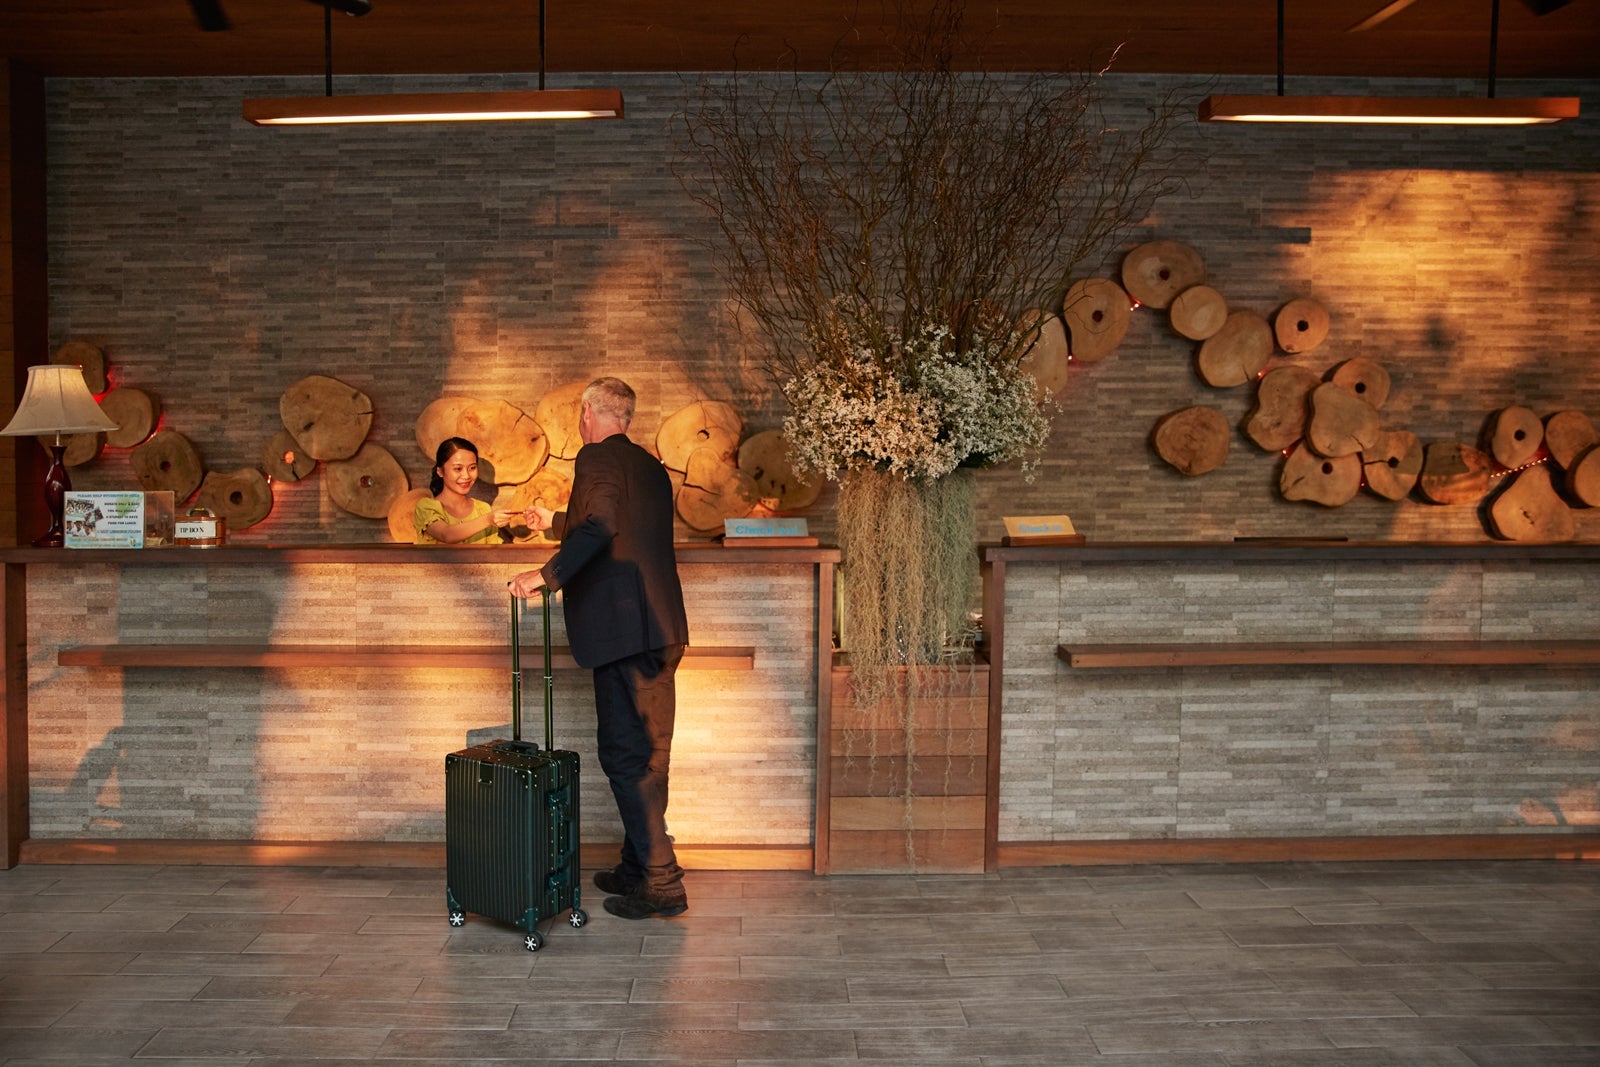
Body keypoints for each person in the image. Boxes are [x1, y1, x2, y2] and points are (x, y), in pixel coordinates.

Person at [509, 377, 690, 920]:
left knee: (626, 757)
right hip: (661, 628)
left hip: (623, 631)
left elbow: (604, 523)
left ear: (587, 413)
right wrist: (558, 522)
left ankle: (662, 882)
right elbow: (619, 527)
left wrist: (547, 574)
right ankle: (637, 866)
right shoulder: (650, 466)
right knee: (650, 755)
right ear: (626, 418)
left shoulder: (593, 458)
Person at [414, 437, 519, 545]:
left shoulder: (483, 509)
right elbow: (446, 535)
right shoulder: (426, 507)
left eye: (472, 468)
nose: (466, 476)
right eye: (458, 469)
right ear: (440, 471)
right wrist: (488, 520)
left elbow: (492, 554)